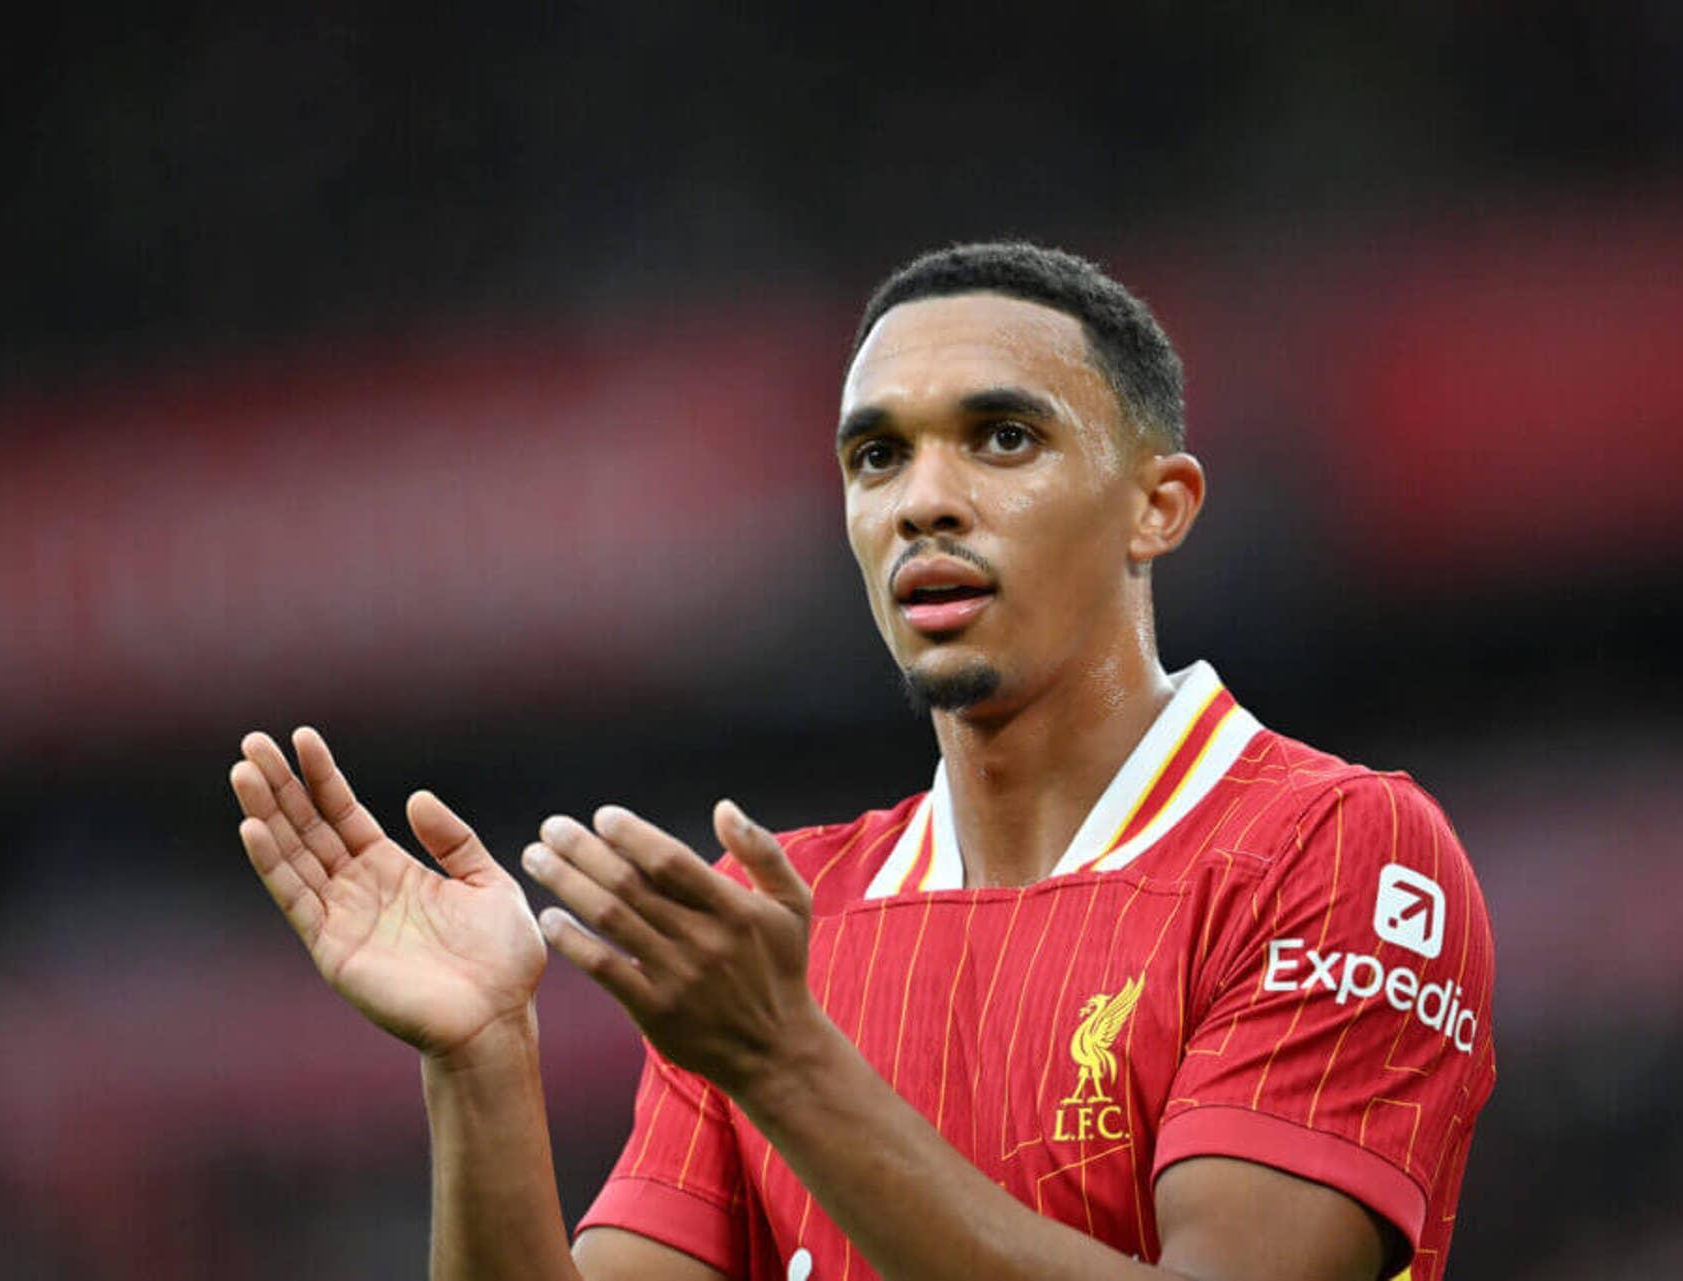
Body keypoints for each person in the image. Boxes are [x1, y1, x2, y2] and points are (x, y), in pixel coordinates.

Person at [230, 241, 1495, 1281]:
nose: (922, 502)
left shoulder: (1335, 850)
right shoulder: (782, 925)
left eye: (1002, 438)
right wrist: (481, 1063)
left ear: (1156, 506)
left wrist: (783, 1061)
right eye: (877, 456)